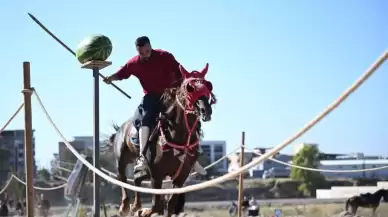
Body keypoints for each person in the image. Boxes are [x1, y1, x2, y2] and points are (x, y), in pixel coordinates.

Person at [104, 36, 206, 175]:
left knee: (189, 115)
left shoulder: (165, 56)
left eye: (146, 51)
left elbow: (181, 73)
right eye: (141, 53)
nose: (144, 55)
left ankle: (194, 157)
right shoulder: (134, 63)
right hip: (151, 97)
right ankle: (142, 158)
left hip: (171, 95)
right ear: (137, 51)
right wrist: (111, 78)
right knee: (144, 119)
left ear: (150, 46)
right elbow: (122, 73)